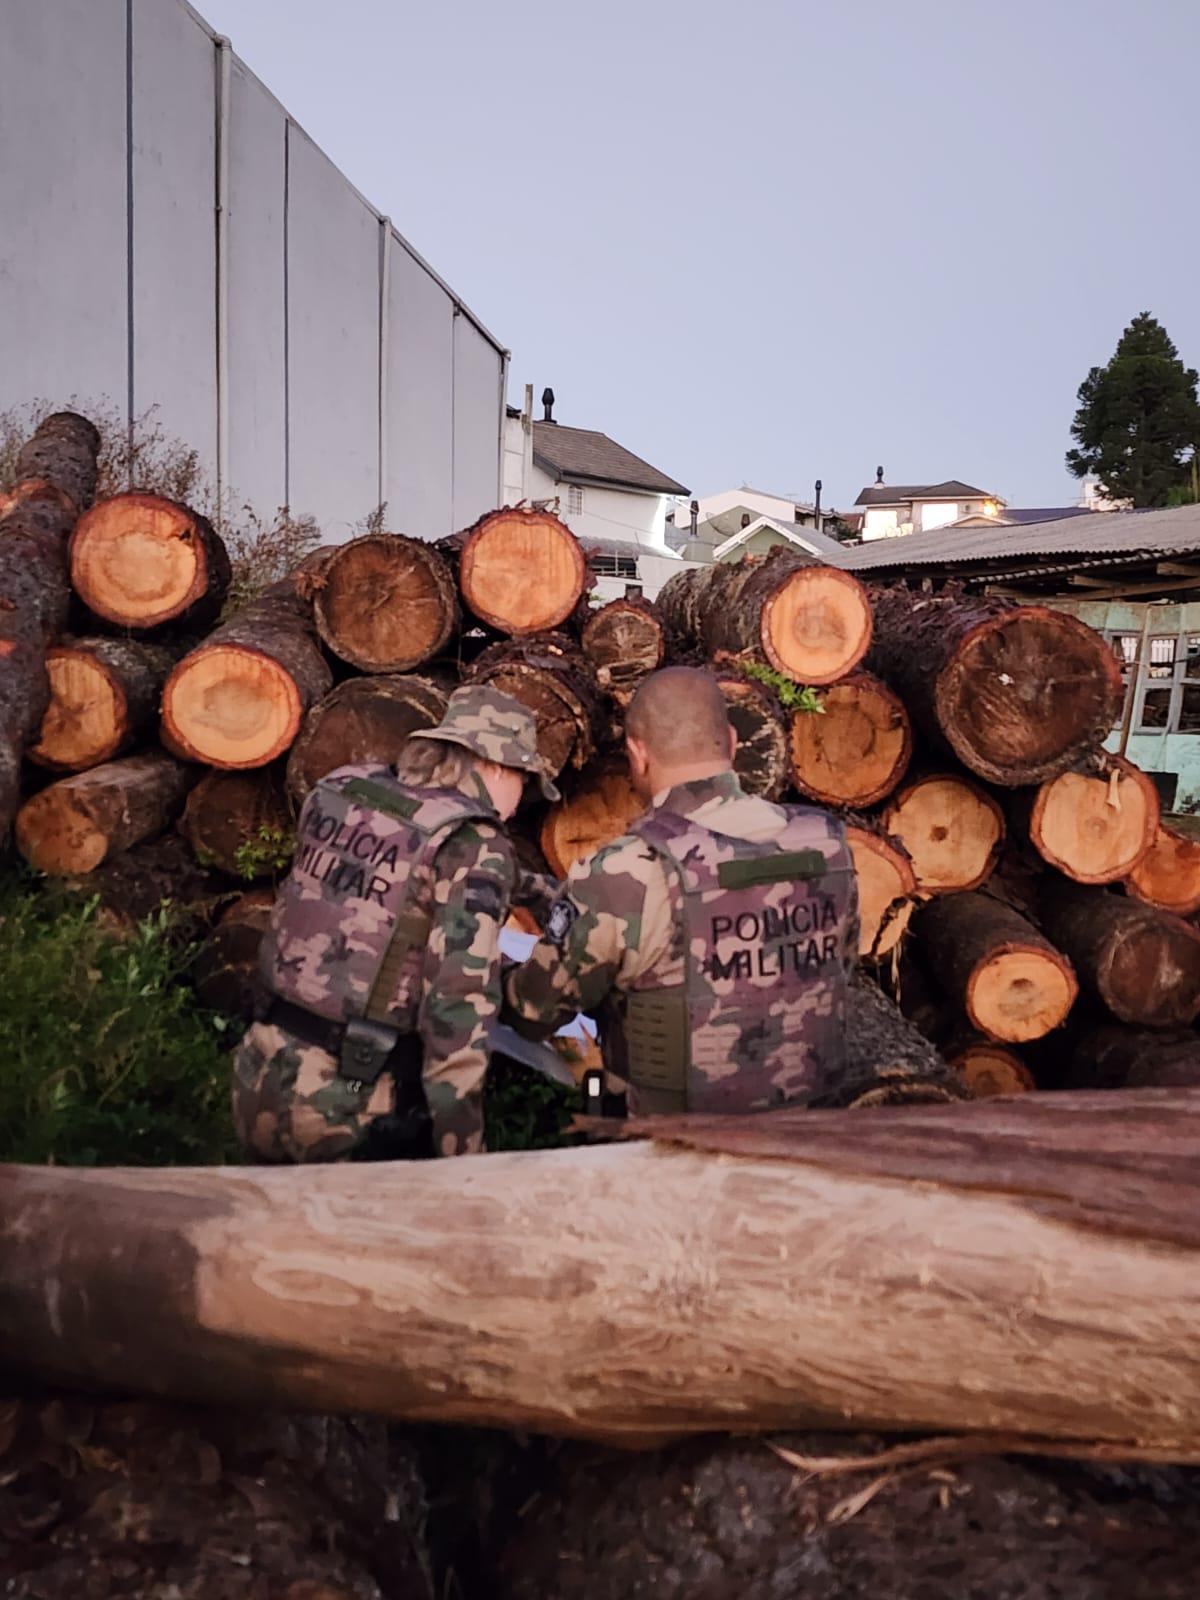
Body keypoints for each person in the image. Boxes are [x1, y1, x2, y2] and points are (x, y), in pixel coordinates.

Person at [503, 666, 859, 1114]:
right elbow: (841, 967)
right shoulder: (827, 844)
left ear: (638, 754)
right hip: (811, 1132)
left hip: (672, 1148)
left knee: (590, 1089)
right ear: (731, 742)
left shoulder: (625, 870)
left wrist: (482, 963)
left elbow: (533, 1009)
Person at [233, 685, 559, 1163]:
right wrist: (463, 1154)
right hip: (348, 1106)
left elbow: (400, 876)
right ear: (494, 765)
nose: (518, 804)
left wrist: (545, 894)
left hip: (258, 1069)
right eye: (523, 783)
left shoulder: (344, 789)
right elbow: (457, 1015)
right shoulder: (473, 842)